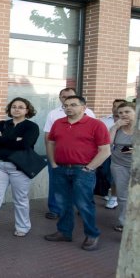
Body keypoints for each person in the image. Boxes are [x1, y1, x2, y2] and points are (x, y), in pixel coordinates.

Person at [44, 95, 110, 251]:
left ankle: (92, 234)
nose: (68, 107)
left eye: (73, 104)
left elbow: (105, 151)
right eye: (66, 105)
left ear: (84, 107)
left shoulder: (96, 125)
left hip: (83, 170)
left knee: (84, 204)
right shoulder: (58, 123)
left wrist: (89, 168)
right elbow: (51, 143)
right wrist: (53, 163)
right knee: (62, 203)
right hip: (60, 168)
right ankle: (64, 232)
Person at [0, 97, 40, 237]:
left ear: (27, 110)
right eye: (14, 106)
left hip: (19, 168)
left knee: (20, 199)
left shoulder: (31, 127)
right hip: (0, 166)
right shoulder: (2, 124)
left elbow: (25, 144)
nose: (16, 109)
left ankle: (23, 227)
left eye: (21, 107)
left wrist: (3, 140)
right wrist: (14, 140)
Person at [43, 87, 95, 220]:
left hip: (81, 160)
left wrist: (91, 164)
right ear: (60, 98)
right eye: (63, 97)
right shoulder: (53, 114)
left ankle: (82, 213)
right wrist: (52, 159)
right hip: (58, 157)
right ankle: (55, 209)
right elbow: (48, 137)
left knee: (81, 188)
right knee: (55, 185)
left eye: (70, 97)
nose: (66, 101)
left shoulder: (88, 113)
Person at [108, 102, 135, 233]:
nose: (124, 115)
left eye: (127, 112)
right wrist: (114, 127)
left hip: (136, 165)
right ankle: (124, 222)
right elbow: (108, 143)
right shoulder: (117, 127)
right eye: (120, 113)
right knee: (122, 195)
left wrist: (133, 149)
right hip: (119, 165)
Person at [99, 99, 126, 209]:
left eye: (118, 106)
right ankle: (108, 191)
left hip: (121, 156)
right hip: (106, 153)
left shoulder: (130, 122)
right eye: (114, 106)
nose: (115, 108)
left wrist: (120, 150)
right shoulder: (104, 120)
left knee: (116, 177)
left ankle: (114, 197)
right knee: (105, 173)